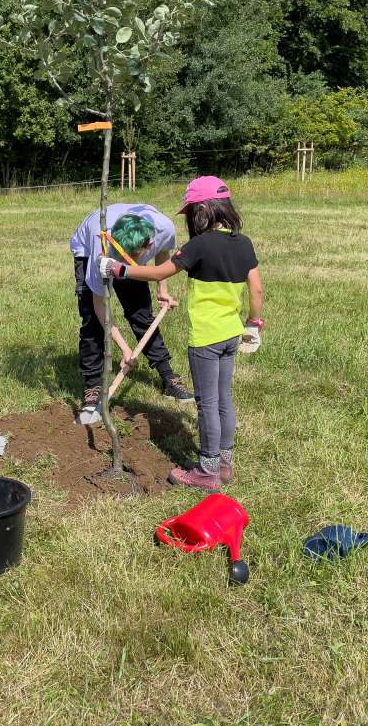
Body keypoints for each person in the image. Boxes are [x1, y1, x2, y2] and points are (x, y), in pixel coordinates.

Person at [98, 177, 263, 492]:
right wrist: (253, 325)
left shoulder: (200, 244)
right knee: (224, 399)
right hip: (231, 334)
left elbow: (160, 272)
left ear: (202, 210)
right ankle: (224, 465)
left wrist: (119, 270)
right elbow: (256, 287)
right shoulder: (244, 242)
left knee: (207, 402)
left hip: (206, 339)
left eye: (190, 214)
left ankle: (207, 470)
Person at [70, 204, 194, 418]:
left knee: (141, 314)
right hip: (90, 250)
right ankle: (93, 386)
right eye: (121, 254)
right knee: (91, 319)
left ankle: (168, 378)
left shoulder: (164, 228)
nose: (122, 262)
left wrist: (162, 290)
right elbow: (100, 307)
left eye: (131, 256)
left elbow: (163, 252)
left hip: (133, 252)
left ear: (149, 244)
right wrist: (125, 348)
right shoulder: (102, 247)